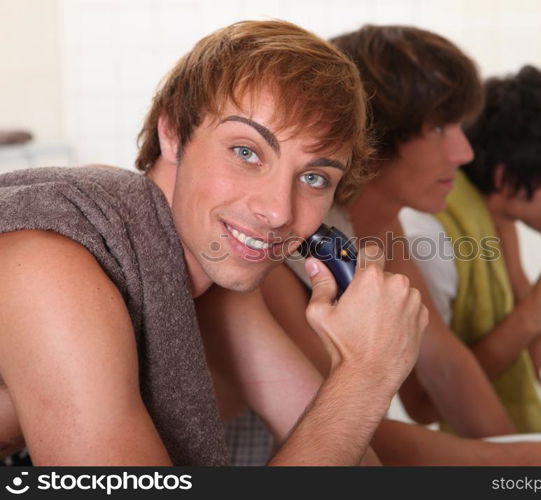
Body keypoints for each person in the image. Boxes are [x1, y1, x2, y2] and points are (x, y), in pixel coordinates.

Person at [0, 20, 428, 466]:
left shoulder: (211, 278)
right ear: (173, 133)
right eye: (246, 152)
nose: (278, 211)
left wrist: (364, 368)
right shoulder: (49, 270)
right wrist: (365, 376)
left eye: (314, 178)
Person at [261, 25, 541, 465]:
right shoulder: (284, 244)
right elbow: (330, 423)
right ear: (375, 136)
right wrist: (523, 461)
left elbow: (446, 365)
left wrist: (536, 459)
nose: (465, 152)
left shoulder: (385, 226)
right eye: (442, 128)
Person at [400, 65, 541, 435]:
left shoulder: (499, 220)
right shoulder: (428, 234)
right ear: (505, 177)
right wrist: (539, 310)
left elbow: (538, 333)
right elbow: (423, 404)